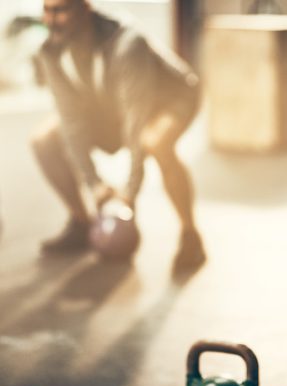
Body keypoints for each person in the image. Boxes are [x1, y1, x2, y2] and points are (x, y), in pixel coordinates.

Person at [32, 0, 205, 270]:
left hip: (171, 99)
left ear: (84, 9)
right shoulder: (50, 51)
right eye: (47, 9)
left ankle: (190, 236)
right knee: (44, 139)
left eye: (61, 10)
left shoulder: (126, 44)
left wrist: (128, 196)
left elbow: (135, 120)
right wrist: (95, 185)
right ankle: (82, 224)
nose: (52, 19)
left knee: (155, 142)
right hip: (109, 103)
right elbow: (71, 120)